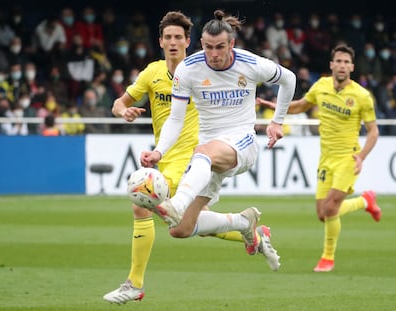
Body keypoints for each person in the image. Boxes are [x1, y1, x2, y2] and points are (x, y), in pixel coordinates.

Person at [103, 10, 286, 305]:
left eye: (179, 37)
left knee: (142, 202)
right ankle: (245, 225)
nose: (173, 42)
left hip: (199, 155)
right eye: (168, 37)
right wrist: (124, 112)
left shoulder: (201, 70)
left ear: (190, 41)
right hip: (171, 155)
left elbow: (254, 81)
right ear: (160, 41)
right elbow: (119, 103)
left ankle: (134, 284)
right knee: (182, 228)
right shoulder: (153, 73)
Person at [140, 8, 295, 277]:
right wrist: (159, 151)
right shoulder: (188, 70)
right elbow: (175, 119)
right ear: (201, 44)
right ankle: (243, 221)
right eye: (209, 47)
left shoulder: (250, 63)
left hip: (241, 143)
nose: (214, 53)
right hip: (208, 154)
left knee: (202, 154)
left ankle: (177, 203)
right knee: (181, 230)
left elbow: (289, 79)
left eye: (220, 47)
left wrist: (277, 121)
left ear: (231, 43)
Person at [257, 44, 382, 272]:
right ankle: (365, 201)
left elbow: (373, 131)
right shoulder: (321, 86)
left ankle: (327, 258)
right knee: (322, 214)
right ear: (331, 64)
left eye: (346, 62)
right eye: (339, 61)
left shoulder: (362, 96)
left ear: (352, 67)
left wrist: (362, 156)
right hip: (326, 158)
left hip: (348, 158)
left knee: (331, 208)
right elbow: (301, 106)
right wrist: (275, 108)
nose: (342, 65)